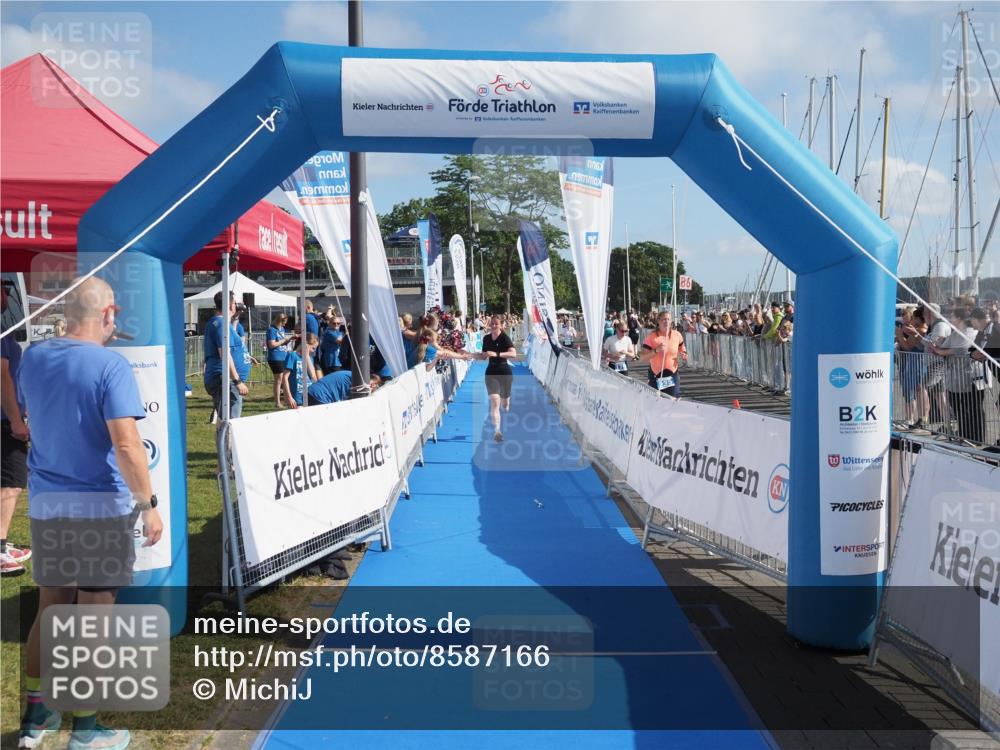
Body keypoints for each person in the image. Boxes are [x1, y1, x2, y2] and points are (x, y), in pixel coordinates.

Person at [17, 276, 163, 750]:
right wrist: (149, 506)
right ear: (108, 314)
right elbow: (127, 443)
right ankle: (85, 730)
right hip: (100, 507)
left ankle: (35, 722)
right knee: (94, 619)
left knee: (51, 608)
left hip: (47, 503)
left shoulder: (33, 356)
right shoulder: (110, 364)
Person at [1, 282, 31, 576]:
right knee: (11, 483)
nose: (6, 294)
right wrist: (15, 420)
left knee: (7, 482)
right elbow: (3, 380)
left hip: (7, 418)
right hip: (4, 422)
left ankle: (2, 543)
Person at [204, 291, 249, 420]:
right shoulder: (221, 325)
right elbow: (224, 354)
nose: (237, 305)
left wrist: (234, 318)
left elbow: (232, 344)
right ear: (230, 305)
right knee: (231, 423)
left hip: (226, 380)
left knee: (228, 422)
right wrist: (237, 381)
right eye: (235, 302)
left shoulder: (222, 323)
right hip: (226, 380)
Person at [479, 315, 516, 442]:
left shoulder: (505, 338)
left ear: (501, 325)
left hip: (505, 371)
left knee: (505, 404)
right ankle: (497, 431)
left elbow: (513, 354)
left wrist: (497, 354)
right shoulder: (486, 338)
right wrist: (466, 355)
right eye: (492, 324)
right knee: (495, 402)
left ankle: (506, 421)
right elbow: (483, 356)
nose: (494, 326)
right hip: (491, 372)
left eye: (496, 324)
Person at [640, 311, 686, 397]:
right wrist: (655, 351)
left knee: (673, 401)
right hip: (656, 375)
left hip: (672, 375)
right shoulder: (652, 337)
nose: (666, 321)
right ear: (659, 321)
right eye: (664, 319)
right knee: (655, 403)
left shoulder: (677, 335)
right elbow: (642, 358)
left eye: (668, 319)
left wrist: (683, 354)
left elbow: (682, 348)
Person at [266, 313, 295, 409]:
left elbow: (281, 342)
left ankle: (286, 400)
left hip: (283, 356)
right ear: (280, 321)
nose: (285, 325)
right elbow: (271, 344)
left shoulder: (281, 329)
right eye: (284, 323)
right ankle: (277, 403)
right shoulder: (272, 330)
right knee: (279, 379)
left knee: (283, 379)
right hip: (275, 357)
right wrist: (284, 341)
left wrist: (288, 340)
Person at [284, 333, 319, 408]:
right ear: (305, 344)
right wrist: (289, 397)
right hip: (297, 398)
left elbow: (314, 377)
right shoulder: (293, 356)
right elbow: (285, 378)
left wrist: (306, 356)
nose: (313, 351)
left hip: (309, 396)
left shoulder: (309, 358)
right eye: (313, 348)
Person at [308, 370, 381, 405]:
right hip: (321, 396)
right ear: (373, 385)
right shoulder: (359, 381)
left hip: (311, 391)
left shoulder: (351, 374)